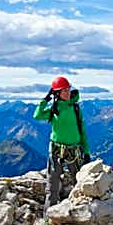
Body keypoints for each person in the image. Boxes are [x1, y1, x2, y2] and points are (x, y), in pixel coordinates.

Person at [33, 76, 91, 209]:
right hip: (56, 151)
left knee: (79, 183)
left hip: (74, 150)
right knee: (52, 187)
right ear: (57, 93)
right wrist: (45, 99)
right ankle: (49, 218)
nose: (68, 92)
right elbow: (37, 115)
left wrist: (86, 151)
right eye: (64, 90)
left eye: (68, 89)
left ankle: (78, 212)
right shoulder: (54, 109)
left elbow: (82, 131)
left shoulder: (75, 109)